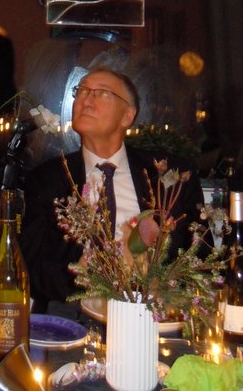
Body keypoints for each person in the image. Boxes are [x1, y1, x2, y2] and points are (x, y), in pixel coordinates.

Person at [20, 66, 204, 313]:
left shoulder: (170, 176)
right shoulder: (46, 179)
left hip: (153, 314)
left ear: (127, 116)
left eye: (102, 93)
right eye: (82, 91)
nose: (86, 100)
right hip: (75, 316)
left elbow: (198, 257)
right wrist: (79, 273)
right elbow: (28, 267)